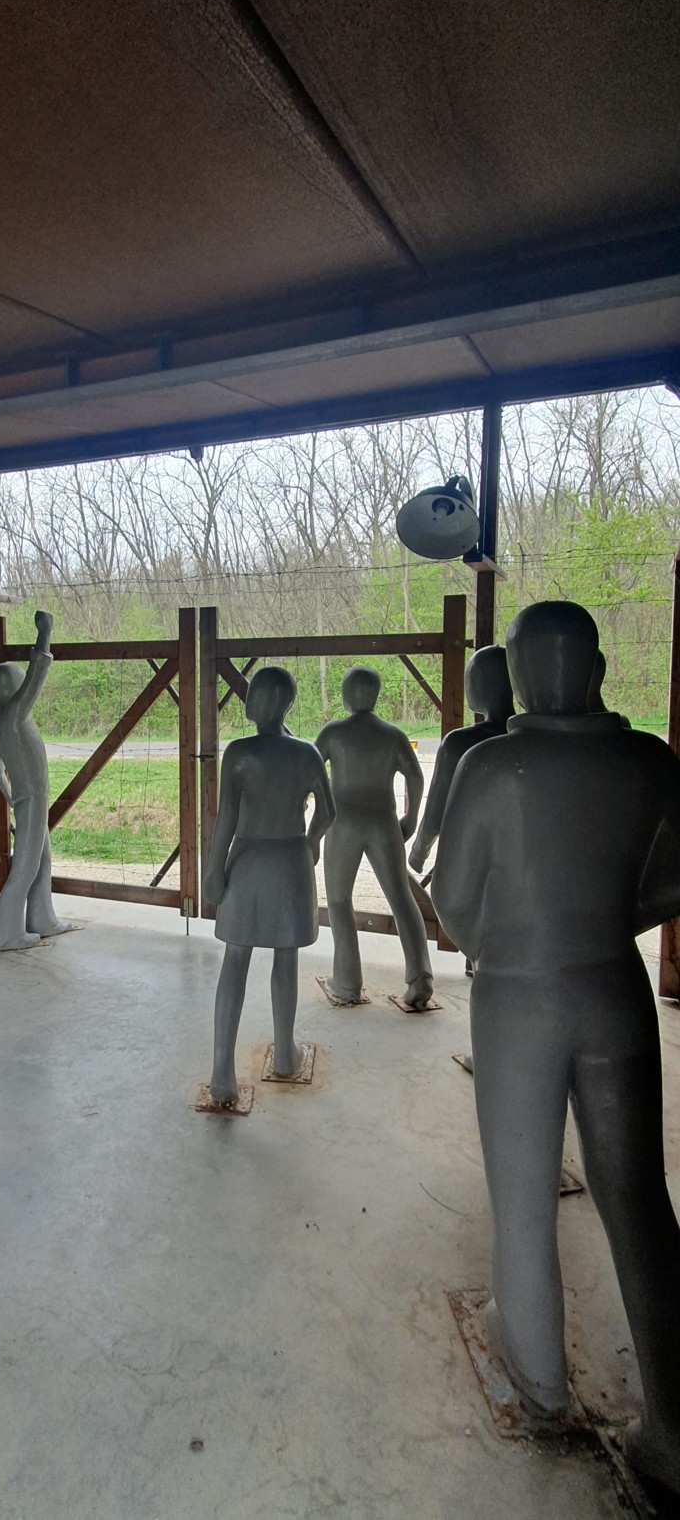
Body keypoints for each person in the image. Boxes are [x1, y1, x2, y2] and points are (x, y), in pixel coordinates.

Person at [431, 600, 680, 1494]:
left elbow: (451, 901)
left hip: (518, 997)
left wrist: (506, 946)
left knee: (525, 1194)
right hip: (615, 986)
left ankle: (540, 1382)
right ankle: (674, 1431)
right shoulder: (650, 760)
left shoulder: (496, 766)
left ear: (520, 677)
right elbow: (673, 883)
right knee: (639, 1198)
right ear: (599, 671)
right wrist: (610, 922)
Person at [203, 667, 335, 1106]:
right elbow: (328, 811)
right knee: (285, 954)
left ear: (261, 703)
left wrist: (214, 870)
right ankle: (284, 1054)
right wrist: (312, 842)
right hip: (290, 859)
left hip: (248, 858)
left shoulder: (239, 753)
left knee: (236, 958)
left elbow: (226, 818)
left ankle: (222, 1071)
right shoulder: (307, 753)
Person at [315, 666, 432, 1007]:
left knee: (339, 901)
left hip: (344, 821)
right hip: (384, 822)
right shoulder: (393, 735)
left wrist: (313, 813)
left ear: (346, 696)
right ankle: (421, 976)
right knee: (401, 897)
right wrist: (411, 817)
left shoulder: (334, 733)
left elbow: (311, 770)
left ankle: (347, 981)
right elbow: (416, 776)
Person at [0, 610, 74, 952]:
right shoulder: (14, 713)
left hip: (26, 797)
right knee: (26, 864)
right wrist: (44, 633)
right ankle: (5, 933)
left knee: (42, 858)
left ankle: (41, 918)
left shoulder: (0, 718)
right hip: (33, 797)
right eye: (18, 680)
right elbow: (37, 675)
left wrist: (10, 796)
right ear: (12, 686)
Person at [409, 646, 514, 875]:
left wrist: (419, 852)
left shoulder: (459, 743)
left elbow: (435, 813)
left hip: (472, 860)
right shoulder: (537, 740)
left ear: (477, 686)